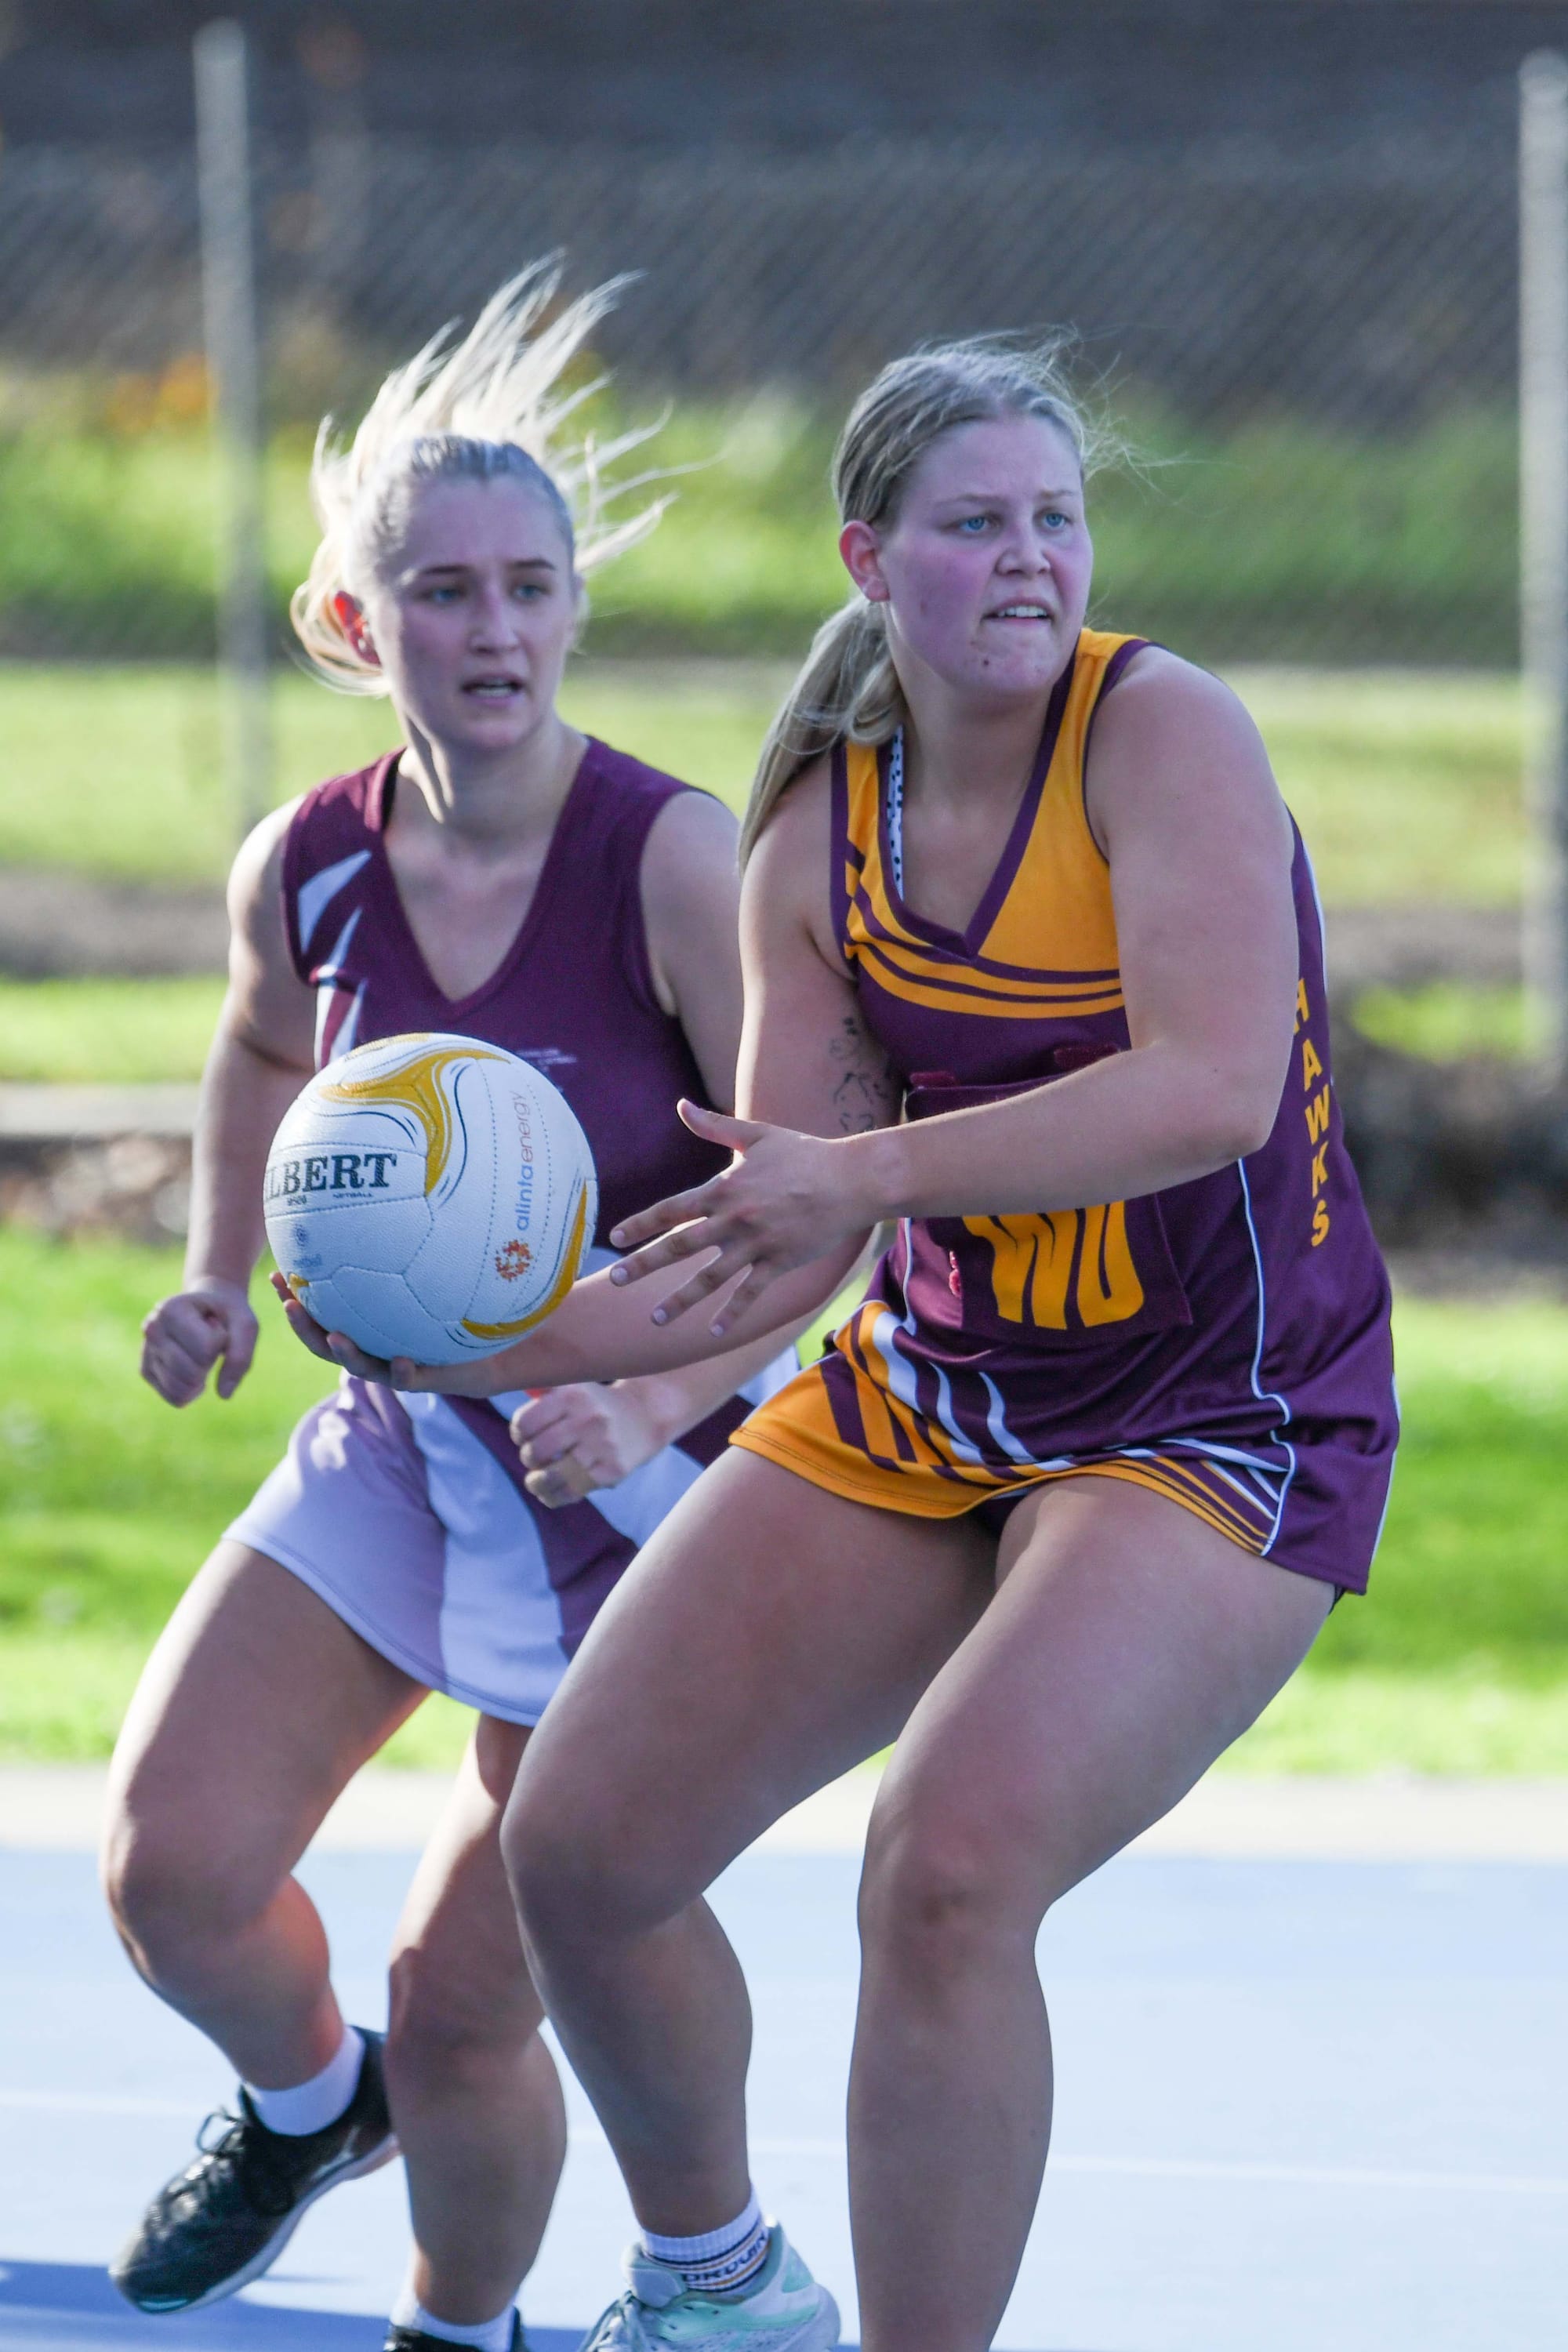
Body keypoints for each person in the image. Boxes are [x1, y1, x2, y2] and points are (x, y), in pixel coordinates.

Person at [287, 335, 1398, 2352]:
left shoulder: (1164, 738)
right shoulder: (818, 831)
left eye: (1056, 519)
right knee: (585, 1844)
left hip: (1217, 1414)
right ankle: (719, 2291)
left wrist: (859, 1183)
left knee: (947, 1867)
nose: (1032, 559)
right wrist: (471, 1337)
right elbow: (758, 1235)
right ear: (871, 560)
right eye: (978, 525)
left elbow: (1210, 1092)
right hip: (940, 1391)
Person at [103, 261, 809, 2352]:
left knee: (467, 1988)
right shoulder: (304, 866)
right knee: (170, 1877)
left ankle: (452, 2325)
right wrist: (219, 1273)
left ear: (574, 606)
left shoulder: (679, 864)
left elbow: (817, 1204)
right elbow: (254, 1050)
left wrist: (664, 1382)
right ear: (356, 623)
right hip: (406, 1447)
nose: (490, 630)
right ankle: (312, 2114)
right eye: (440, 592)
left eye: (525, 586)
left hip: (633, 1500)